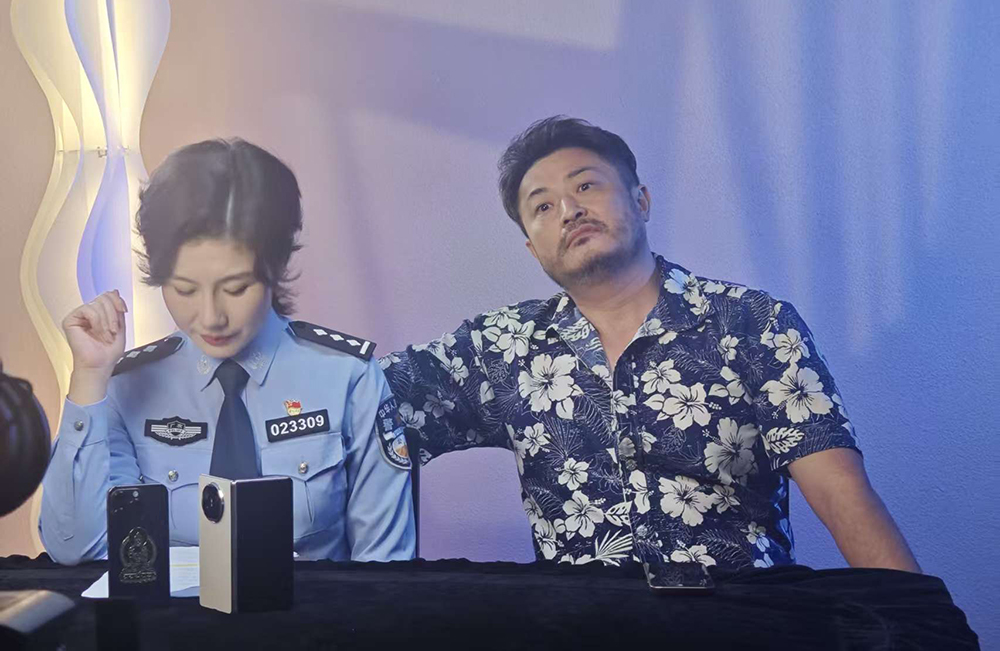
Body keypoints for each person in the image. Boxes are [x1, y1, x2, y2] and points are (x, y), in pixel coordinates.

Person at [382, 116, 920, 572]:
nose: (569, 210)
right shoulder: (500, 348)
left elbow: (840, 491)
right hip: (579, 630)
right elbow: (361, 397)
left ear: (641, 201)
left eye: (585, 186)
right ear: (532, 249)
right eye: (542, 207)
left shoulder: (751, 321)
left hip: (745, 622)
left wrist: (919, 622)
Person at [40, 138, 414, 565]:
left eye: (235, 288)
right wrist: (89, 379)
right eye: (184, 290)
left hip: (312, 610)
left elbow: (386, 567)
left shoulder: (348, 377)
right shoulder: (126, 386)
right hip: (172, 610)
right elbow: (75, 548)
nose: (211, 317)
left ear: (276, 266)